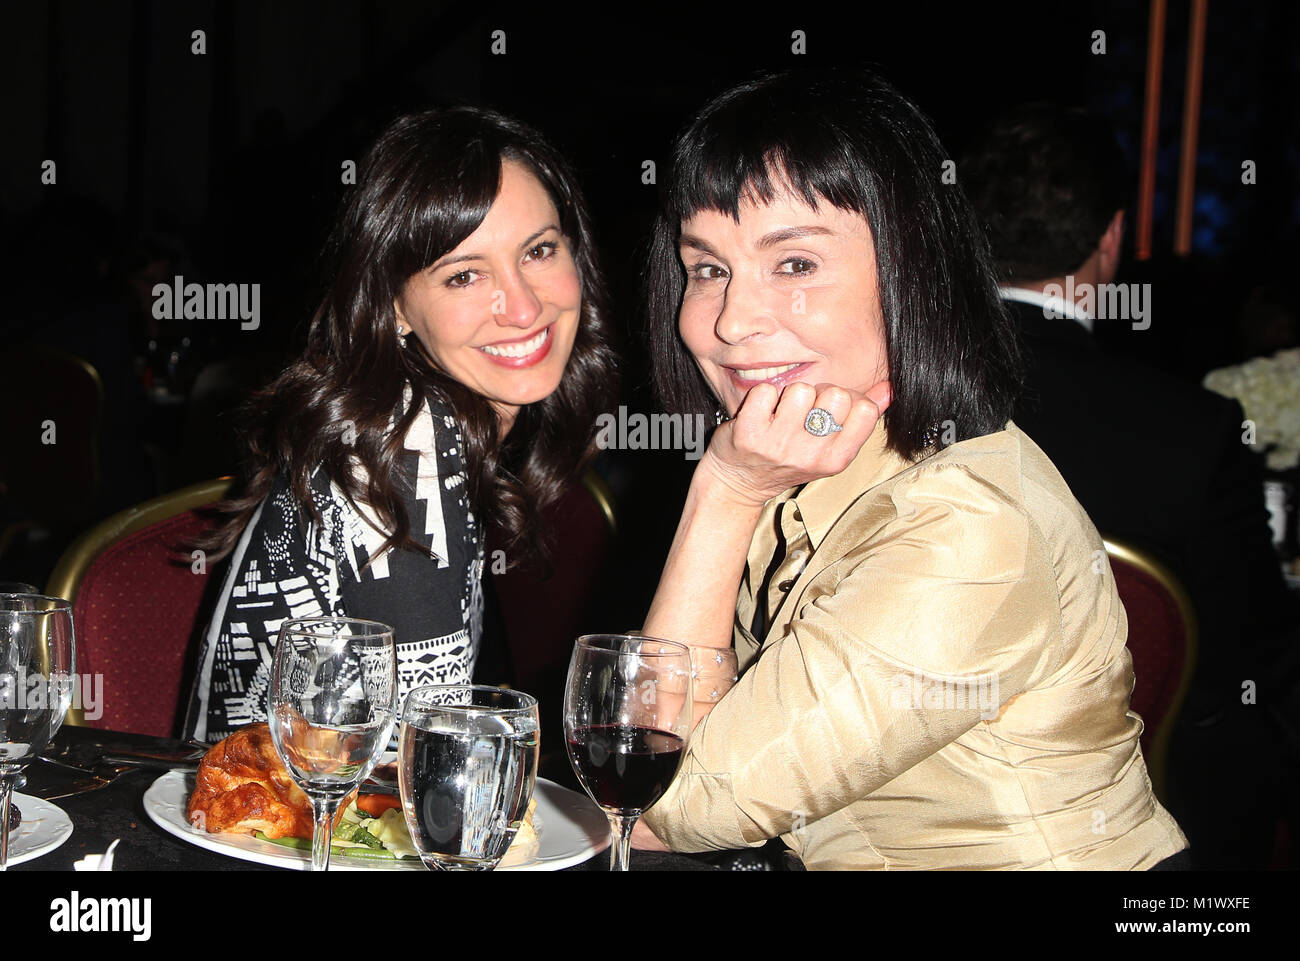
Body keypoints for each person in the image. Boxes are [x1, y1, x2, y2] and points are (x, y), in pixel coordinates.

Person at [633, 69, 1189, 869]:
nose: (730, 320)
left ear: (910, 272)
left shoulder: (973, 526)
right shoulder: (813, 456)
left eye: (794, 265)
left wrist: (723, 491)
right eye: (709, 268)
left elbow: (662, 803)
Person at [184, 107, 618, 743]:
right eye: (464, 275)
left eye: (539, 250)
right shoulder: (405, 447)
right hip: (280, 829)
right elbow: (425, 773)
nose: (523, 306)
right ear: (394, 307)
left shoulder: (431, 420)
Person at [960, 104, 1299, 868]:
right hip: (1144, 825)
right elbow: (1254, 651)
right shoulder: (1195, 430)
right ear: (1110, 240)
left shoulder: (885, 405)